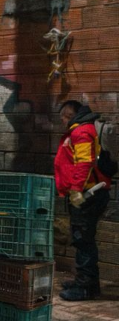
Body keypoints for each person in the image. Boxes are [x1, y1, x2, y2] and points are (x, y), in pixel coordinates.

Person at [56, 100, 113, 301]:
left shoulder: (81, 132)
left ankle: (86, 287)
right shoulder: (83, 130)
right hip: (88, 193)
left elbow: (83, 163)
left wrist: (76, 190)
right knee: (82, 238)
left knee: (83, 239)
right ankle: (85, 281)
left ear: (69, 115)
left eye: (62, 117)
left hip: (88, 194)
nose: (61, 121)